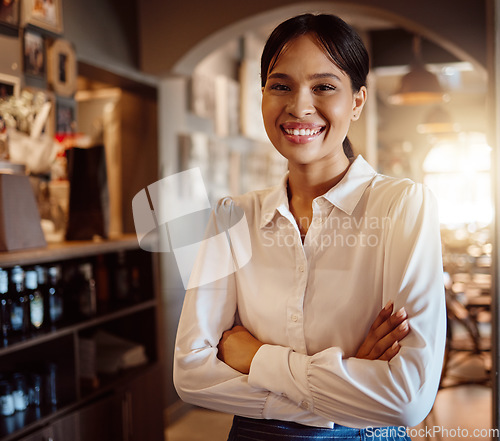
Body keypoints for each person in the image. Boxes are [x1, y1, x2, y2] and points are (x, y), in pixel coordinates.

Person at [174, 13, 446, 441]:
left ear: (357, 101)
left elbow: (406, 399)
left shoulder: (402, 206)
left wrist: (257, 357)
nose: (299, 106)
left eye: (324, 87)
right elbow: (190, 374)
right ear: (262, 95)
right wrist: (345, 381)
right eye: (281, 85)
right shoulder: (231, 217)